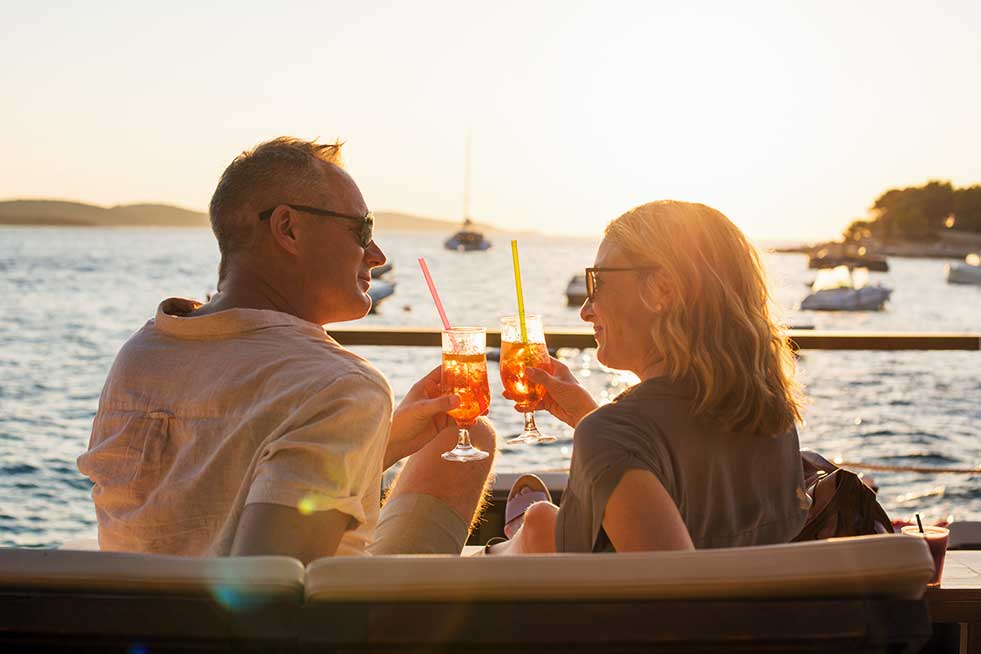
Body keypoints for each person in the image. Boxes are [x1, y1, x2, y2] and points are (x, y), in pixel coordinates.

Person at [77, 137, 496, 563]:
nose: (376, 254)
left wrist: (378, 441)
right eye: (362, 230)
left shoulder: (142, 354)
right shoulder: (341, 386)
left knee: (467, 437)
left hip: (144, 616)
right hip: (326, 624)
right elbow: (271, 596)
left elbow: (206, 503)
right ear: (288, 228)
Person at [491, 200, 810, 555]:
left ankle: (506, 547)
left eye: (598, 282)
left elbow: (676, 595)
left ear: (662, 289)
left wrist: (603, 432)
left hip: (597, 610)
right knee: (542, 522)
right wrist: (591, 418)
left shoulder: (609, 435)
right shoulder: (771, 416)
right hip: (765, 611)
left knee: (537, 524)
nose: (585, 310)